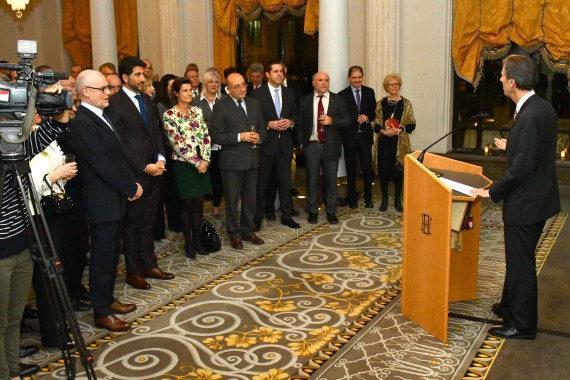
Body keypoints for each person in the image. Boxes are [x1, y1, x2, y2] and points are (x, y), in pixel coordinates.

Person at [470, 54, 560, 340]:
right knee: (517, 259)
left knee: (520, 264)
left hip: (527, 202)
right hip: (538, 197)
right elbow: (534, 150)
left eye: (502, 75)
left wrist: (491, 191)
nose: (498, 79)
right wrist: (513, 144)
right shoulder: (539, 107)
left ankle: (522, 324)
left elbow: (521, 169)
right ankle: (509, 305)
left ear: (512, 81)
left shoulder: (530, 114)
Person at [0, 86, 71, 380]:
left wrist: (52, 103)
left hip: (22, 241)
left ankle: (12, 368)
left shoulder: (13, 144)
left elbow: (47, 133)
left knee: (14, 317)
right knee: (1, 320)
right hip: (1, 251)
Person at [70, 70, 141, 332]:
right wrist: (129, 187)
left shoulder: (102, 114)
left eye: (108, 88)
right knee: (101, 256)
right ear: (86, 92)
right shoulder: (82, 122)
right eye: (102, 89)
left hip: (114, 196)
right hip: (102, 199)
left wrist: (129, 184)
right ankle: (101, 311)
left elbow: (118, 156)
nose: (108, 93)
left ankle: (108, 299)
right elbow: (101, 163)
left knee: (112, 254)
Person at [107, 56, 174, 291]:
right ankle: (134, 271)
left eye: (143, 74)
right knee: (133, 225)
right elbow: (120, 142)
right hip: (135, 173)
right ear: (125, 78)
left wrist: (161, 158)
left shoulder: (147, 99)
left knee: (148, 223)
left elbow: (156, 133)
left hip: (155, 170)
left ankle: (149, 264)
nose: (142, 78)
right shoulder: (114, 104)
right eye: (137, 74)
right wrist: (144, 166)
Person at [210, 73, 266, 249]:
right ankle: (234, 233)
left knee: (250, 198)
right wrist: (239, 137)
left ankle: (248, 230)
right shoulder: (221, 107)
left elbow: (262, 128)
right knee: (233, 199)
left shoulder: (254, 103)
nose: (242, 89)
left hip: (252, 159)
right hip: (232, 162)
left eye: (244, 85)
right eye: (237, 86)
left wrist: (260, 138)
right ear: (228, 89)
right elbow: (216, 135)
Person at [163, 78, 212, 259]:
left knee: (198, 203)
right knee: (187, 204)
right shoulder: (169, 115)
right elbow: (177, 144)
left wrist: (205, 159)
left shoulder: (197, 111)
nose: (189, 93)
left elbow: (206, 136)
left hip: (201, 161)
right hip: (184, 163)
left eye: (191, 90)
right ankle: (188, 243)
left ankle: (198, 240)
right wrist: (196, 162)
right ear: (176, 93)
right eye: (185, 90)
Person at [297, 71, 351, 224]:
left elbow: (347, 121)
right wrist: (302, 144)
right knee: (312, 180)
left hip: (330, 146)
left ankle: (331, 211)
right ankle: (313, 211)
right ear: (313, 82)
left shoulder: (338, 100)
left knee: (331, 181)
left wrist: (332, 120)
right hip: (312, 146)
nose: (324, 83)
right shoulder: (305, 100)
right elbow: (300, 124)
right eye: (320, 80)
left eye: (326, 80)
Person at [252, 60, 300, 230]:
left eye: (281, 71)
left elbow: (295, 113)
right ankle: (257, 217)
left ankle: (287, 216)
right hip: (266, 145)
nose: (279, 74)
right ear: (267, 74)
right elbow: (254, 118)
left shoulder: (289, 93)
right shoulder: (257, 94)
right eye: (275, 71)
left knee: (285, 183)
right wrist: (268, 124)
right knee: (261, 184)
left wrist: (291, 122)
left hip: (285, 145)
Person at [373, 73, 416, 212]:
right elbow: (375, 123)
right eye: (391, 84)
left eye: (396, 84)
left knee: (398, 172)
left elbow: (412, 124)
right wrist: (383, 131)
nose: (394, 86)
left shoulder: (406, 103)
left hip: (399, 143)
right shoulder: (381, 103)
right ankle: (385, 199)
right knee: (384, 172)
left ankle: (398, 200)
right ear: (386, 87)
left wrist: (400, 130)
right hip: (384, 142)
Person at [339, 66, 377, 209]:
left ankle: (368, 197)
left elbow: (374, 113)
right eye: (354, 77)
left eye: (359, 77)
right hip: (349, 137)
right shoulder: (342, 95)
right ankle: (352, 199)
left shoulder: (369, 92)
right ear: (349, 78)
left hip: (365, 137)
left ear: (362, 77)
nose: (357, 80)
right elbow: (341, 116)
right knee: (351, 168)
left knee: (367, 168)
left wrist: (367, 117)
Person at [192, 70, 227, 220]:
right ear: (205, 83)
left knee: (219, 178)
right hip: (204, 147)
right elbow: (195, 124)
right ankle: (199, 207)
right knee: (205, 177)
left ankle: (216, 206)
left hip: (222, 146)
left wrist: (208, 125)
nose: (213, 84)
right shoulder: (196, 101)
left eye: (216, 82)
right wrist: (214, 126)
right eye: (210, 82)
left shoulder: (225, 100)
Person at [154, 74, 182, 238]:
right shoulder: (161, 105)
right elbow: (165, 130)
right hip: (169, 150)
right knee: (171, 190)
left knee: (179, 190)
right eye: (171, 86)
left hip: (181, 152)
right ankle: (173, 221)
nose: (173, 89)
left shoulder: (180, 104)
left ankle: (179, 220)